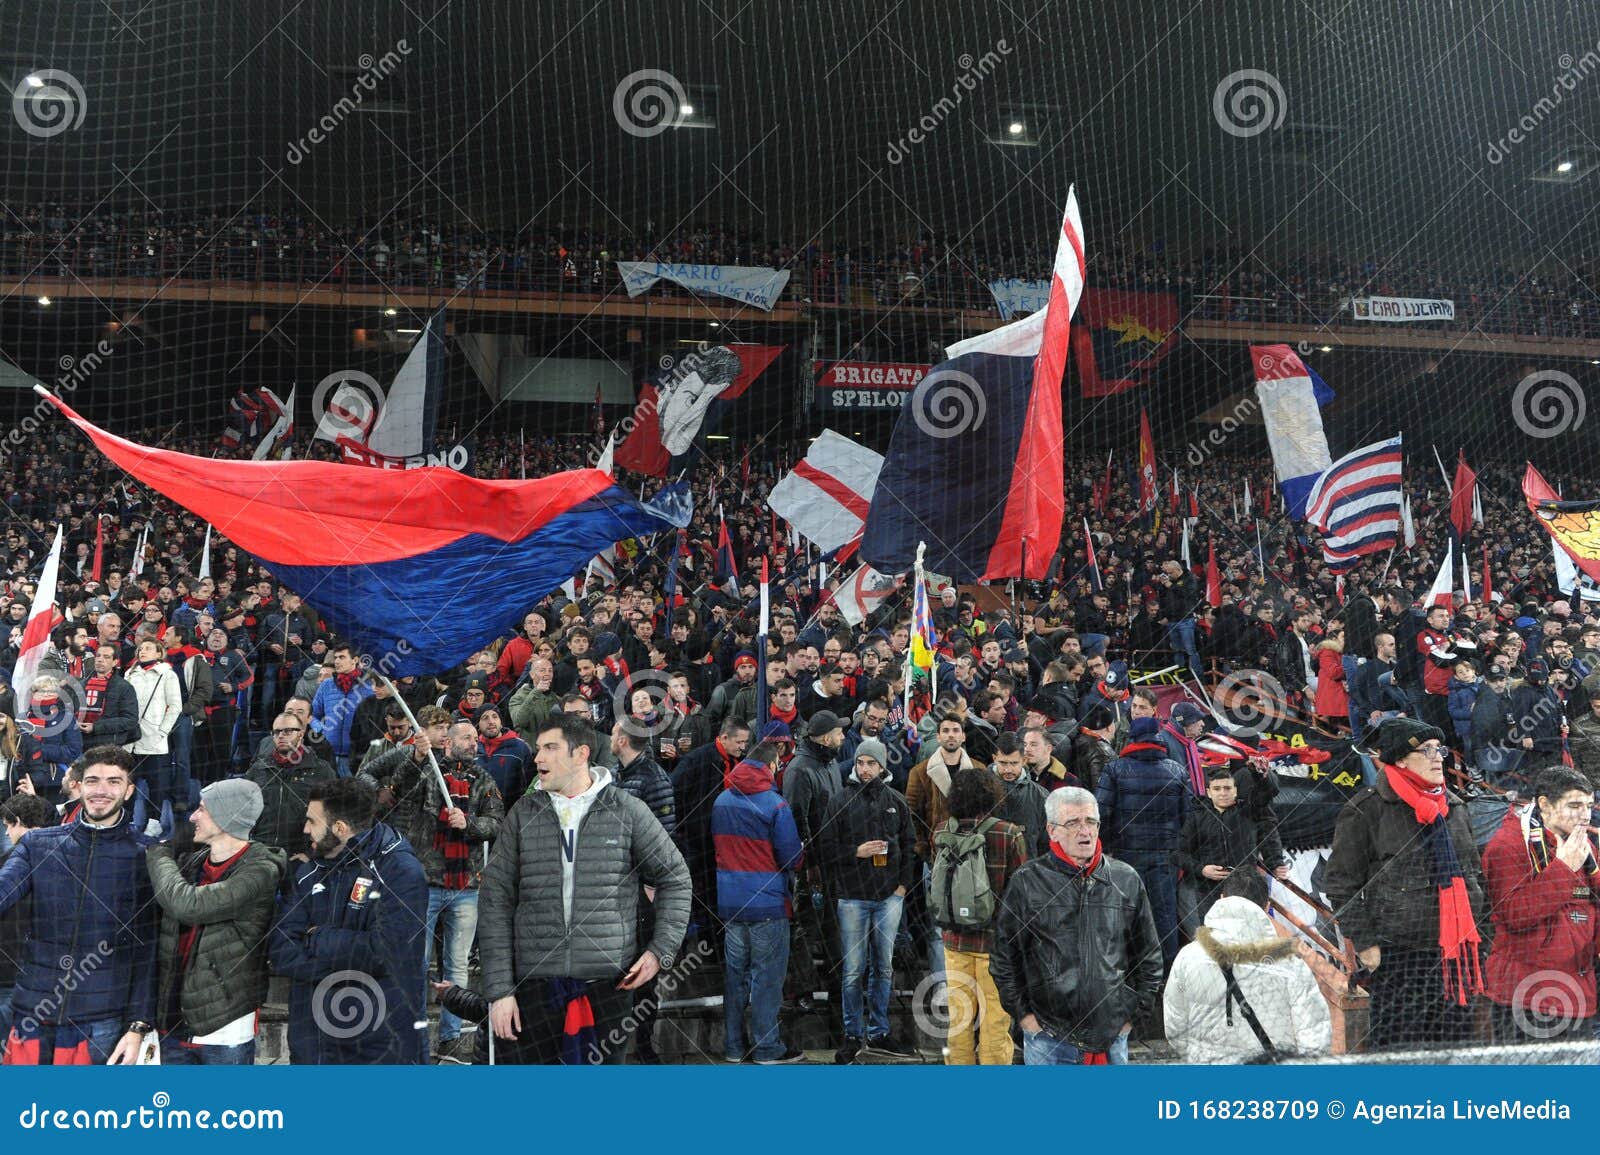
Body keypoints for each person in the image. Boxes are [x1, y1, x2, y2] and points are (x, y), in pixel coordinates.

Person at [479, 715, 691, 1064]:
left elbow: (676, 878)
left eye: (550, 748)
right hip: (534, 987)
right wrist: (500, 990)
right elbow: (495, 901)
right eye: (537, 749)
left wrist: (660, 951)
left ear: (581, 754)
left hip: (608, 987)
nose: (538, 758)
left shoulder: (629, 810)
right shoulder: (522, 814)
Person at [1324, 718, 1487, 1051]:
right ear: (1399, 759)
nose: (1438, 757)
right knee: (1401, 1055)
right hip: (1399, 958)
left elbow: (1475, 875)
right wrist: (1367, 943)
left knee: (1455, 1055)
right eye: (1425, 750)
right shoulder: (1366, 809)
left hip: (1454, 957)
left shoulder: (1455, 808)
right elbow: (1340, 884)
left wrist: (1485, 936)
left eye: (1439, 749)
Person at [0, 746, 158, 1064]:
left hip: (102, 1022)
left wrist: (138, 1025)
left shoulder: (147, 855)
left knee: (86, 1113)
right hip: (33, 1012)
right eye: (92, 780)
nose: (101, 790)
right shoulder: (38, 844)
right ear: (78, 785)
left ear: (129, 790)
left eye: (113, 781)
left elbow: (149, 950)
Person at [990, 786, 1163, 1065]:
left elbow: (1149, 956)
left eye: (1091, 822)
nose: (1085, 831)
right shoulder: (1026, 881)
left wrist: (1133, 1015)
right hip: (1048, 1038)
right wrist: (1025, 1016)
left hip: (1112, 1037)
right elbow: (1004, 958)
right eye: (1073, 823)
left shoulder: (1126, 879)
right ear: (1052, 830)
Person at [269, 778, 430, 1064]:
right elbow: (282, 950)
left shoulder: (400, 871)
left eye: (311, 821)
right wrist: (348, 957)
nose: (305, 829)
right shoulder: (308, 870)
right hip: (313, 1040)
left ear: (340, 828)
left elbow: (384, 954)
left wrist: (317, 939)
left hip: (379, 1043)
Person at [146, 779, 287, 1064]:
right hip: (174, 1022)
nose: (193, 816)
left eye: (202, 809)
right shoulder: (192, 863)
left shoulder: (261, 871)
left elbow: (188, 905)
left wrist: (158, 853)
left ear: (227, 817)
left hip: (224, 1029)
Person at [1162, 870, 1332, 1063]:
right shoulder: (1290, 963)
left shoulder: (1188, 956)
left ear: (1222, 898)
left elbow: (1175, 1026)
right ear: (1266, 906)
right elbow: (1314, 1036)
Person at [1481, 766, 1600, 1041]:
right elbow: (1516, 914)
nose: (1585, 814)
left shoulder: (1584, 845)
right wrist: (1564, 869)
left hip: (1578, 994)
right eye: (1574, 805)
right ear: (1545, 804)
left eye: (1588, 805)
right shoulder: (1507, 846)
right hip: (1526, 997)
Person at [821, 737, 917, 1062]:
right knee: (852, 970)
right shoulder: (839, 801)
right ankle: (851, 1034)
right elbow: (824, 848)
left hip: (889, 897)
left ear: (882, 766)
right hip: (852, 898)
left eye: (870, 763)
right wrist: (855, 852)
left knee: (883, 968)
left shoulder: (897, 801)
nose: (864, 769)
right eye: (860, 763)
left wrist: (903, 887)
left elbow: (909, 845)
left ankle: (879, 1031)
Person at [712, 741, 804, 1064]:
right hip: (767, 905)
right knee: (767, 977)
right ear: (772, 766)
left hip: (730, 903)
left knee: (735, 976)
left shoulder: (721, 801)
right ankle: (767, 1047)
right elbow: (792, 856)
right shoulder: (775, 805)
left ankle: (734, 1047)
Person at [934, 766, 1029, 1066]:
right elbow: (1020, 894)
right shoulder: (1008, 833)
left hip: (953, 939)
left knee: (959, 1020)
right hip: (995, 946)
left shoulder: (941, 832)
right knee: (995, 1021)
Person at [1096, 715, 1191, 968]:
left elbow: (1101, 814)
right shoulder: (1177, 771)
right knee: (1164, 916)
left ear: (1132, 738)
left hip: (1124, 858)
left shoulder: (1114, 769)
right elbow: (1188, 819)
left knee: (1125, 916)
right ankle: (1167, 976)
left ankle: (1127, 975)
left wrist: (1108, 848)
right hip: (1165, 859)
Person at [1173, 768, 1289, 937]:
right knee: (1215, 938)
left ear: (1235, 790)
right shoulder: (1196, 818)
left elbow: (1267, 792)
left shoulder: (1249, 810)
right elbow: (1177, 854)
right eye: (1217, 789)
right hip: (1207, 891)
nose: (1223, 793)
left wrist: (1276, 863)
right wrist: (1202, 869)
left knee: (1250, 937)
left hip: (1245, 887)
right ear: (1209, 792)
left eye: (1227, 788)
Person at [0, 792, 55, 1058]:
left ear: (17, 821)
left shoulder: (8, 866)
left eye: (7, 825)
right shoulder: (65, 859)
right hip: (50, 978)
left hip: (9, 976)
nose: (7, 833)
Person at [245, 711, 338, 859]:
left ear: (301, 734)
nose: (281, 735)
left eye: (287, 731)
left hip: (298, 856)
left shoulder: (321, 770)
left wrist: (312, 854)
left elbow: (334, 815)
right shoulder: (258, 769)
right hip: (259, 853)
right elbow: (242, 811)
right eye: (276, 732)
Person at [125, 636, 183, 805]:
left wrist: (162, 731)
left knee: (157, 789)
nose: (142, 651)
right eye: (141, 648)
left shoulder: (168, 675)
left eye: (148, 648)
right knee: (126, 786)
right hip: (130, 740)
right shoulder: (129, 673)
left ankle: (155, 823)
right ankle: (126, 822)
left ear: (159, 653)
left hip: (154, 741)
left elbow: (175, 706)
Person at [310, 642, 373, 774]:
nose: (337, 661)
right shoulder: (326, 685)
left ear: (355, 660)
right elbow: (312, 715)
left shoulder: (369, 687)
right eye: (336, 657)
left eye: (342, 657)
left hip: (358, 757)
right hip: (328, 755)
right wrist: (321, 731)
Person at [990, 731, 1048, 855]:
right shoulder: (978, 791)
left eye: (1014, 763)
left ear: (1024, 760)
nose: (1008, 769)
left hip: (1027, 870)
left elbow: (1046, 843)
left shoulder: (1040, 796)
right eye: (1003, 763)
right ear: (994, 759)